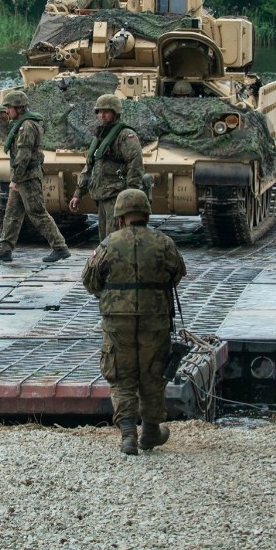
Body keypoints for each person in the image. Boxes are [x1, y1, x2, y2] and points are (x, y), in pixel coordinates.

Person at [81, 188, 185, 456]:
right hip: (155, 321)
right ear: (147, 215)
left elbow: (90, 281)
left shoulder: (108, 244)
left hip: (118, 323)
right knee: (153, 374)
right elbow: (177, 273)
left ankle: (128, 435)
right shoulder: (164, 242)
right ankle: (150, 432)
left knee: (121, 376)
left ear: (119, 217)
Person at [0, 90, 71, 264]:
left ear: (20, 108)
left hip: (28, 177)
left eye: (10, 107)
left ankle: (60, 247)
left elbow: (24, 155)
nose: (7, 111)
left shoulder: (27, 126)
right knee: (12, 213)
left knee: (37, 213)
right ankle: (4, 250)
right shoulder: (21, 123)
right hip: (22, 176)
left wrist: (15, 179)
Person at [69, 94, 145, 240]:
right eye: (99, 112)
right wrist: (78, 194)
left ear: (115, 113)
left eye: (106, 112)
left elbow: (135, 164)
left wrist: (130, 195)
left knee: (115, 239)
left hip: (117, 196)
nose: (102, 115)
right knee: (104, 240)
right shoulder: (100, 136)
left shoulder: (125, 135)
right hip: (102, 196)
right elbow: (90, 166)